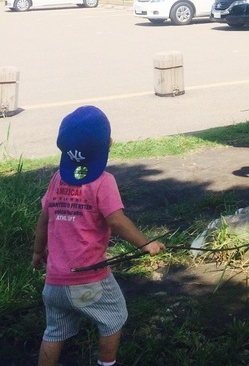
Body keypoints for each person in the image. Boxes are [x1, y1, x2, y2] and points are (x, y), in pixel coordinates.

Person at [32, 105, 165, 366]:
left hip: (55, 281)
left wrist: (38, 252)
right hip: (89, 280)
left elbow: (44, 218)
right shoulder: (103, 182)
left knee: (54, 331)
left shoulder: (58, 179)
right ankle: (107, 364)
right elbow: (116, 220)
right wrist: (146, 243)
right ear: (109, 143)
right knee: (114, 317)